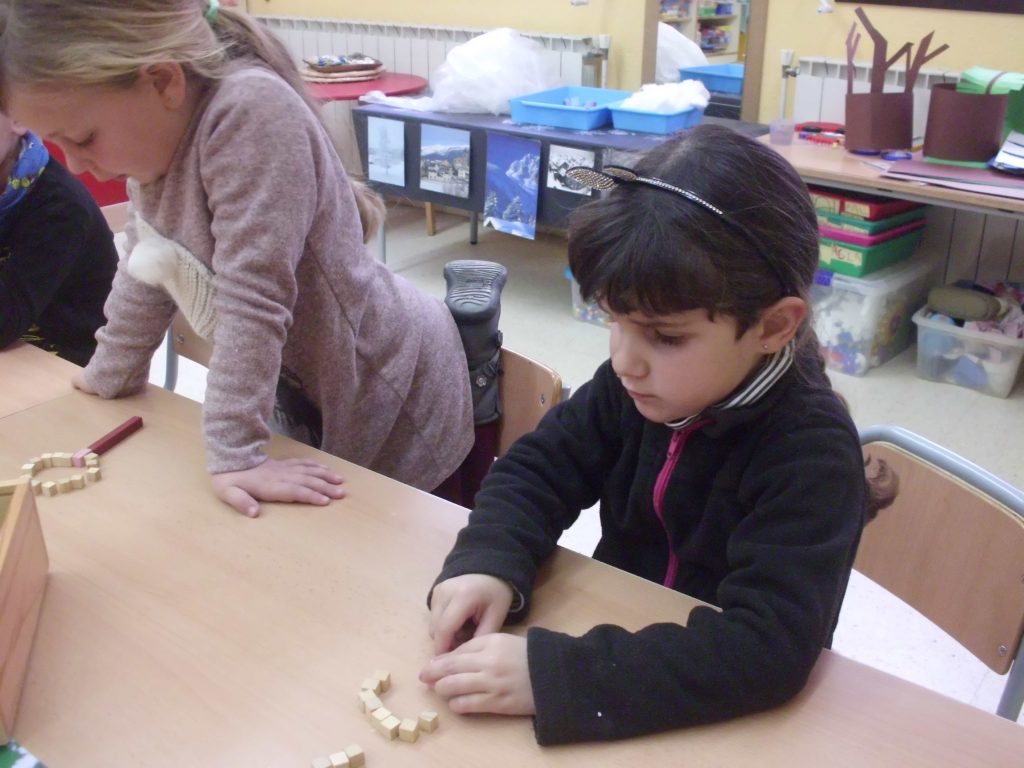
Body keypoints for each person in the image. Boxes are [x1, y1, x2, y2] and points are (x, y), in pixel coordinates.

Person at [420, 124, 895, 745]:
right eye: (613, 320)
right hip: (622, 638)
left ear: (774, 327)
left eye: (665, 337)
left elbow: (767, 649)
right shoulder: (636, 386)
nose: (624, 361)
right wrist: (488, 561)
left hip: (723, 717)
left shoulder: (812, 453)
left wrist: (559, 677)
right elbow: (538, 469)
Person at [0, 0, 474, 517]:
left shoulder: (250, 113)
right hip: (310, 392)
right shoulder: (155, 142)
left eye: (83, 138)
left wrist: (234, 453)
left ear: (162, 81)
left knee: (389, 548)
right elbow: (147, 263)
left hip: (396, 392)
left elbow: (253, 299)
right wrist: (108, 373)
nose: (74, 165)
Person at [0, 108, 117, 365]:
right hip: (16, 356)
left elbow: (4, 323)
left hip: (68, 362)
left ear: (18, 118)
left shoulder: (60, 206)